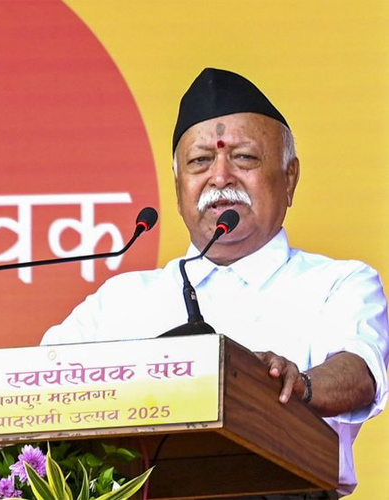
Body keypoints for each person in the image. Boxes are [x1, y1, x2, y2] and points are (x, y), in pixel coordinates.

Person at [41, 68, 389, 498]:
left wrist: (299, 385)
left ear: (289, 178)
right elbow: (39, 385)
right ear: (178, 187)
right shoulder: (120, 301)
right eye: (200, 162)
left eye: (244, 158)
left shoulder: (338, 283)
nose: (220, 177)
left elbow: (359, 371)